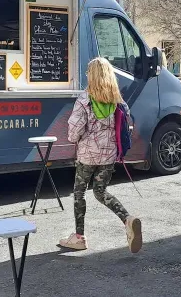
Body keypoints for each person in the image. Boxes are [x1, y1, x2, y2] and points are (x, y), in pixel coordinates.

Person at [59, 57, 143, 253]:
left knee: (79, 193)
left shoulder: (84, 100)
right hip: (108, 156)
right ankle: (127, 219)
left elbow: (73, 133)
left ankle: (79, 237)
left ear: (93, 76)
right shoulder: (116, 100)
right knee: (100, 192)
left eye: (88, 73)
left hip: (87, 156)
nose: (87, 75)